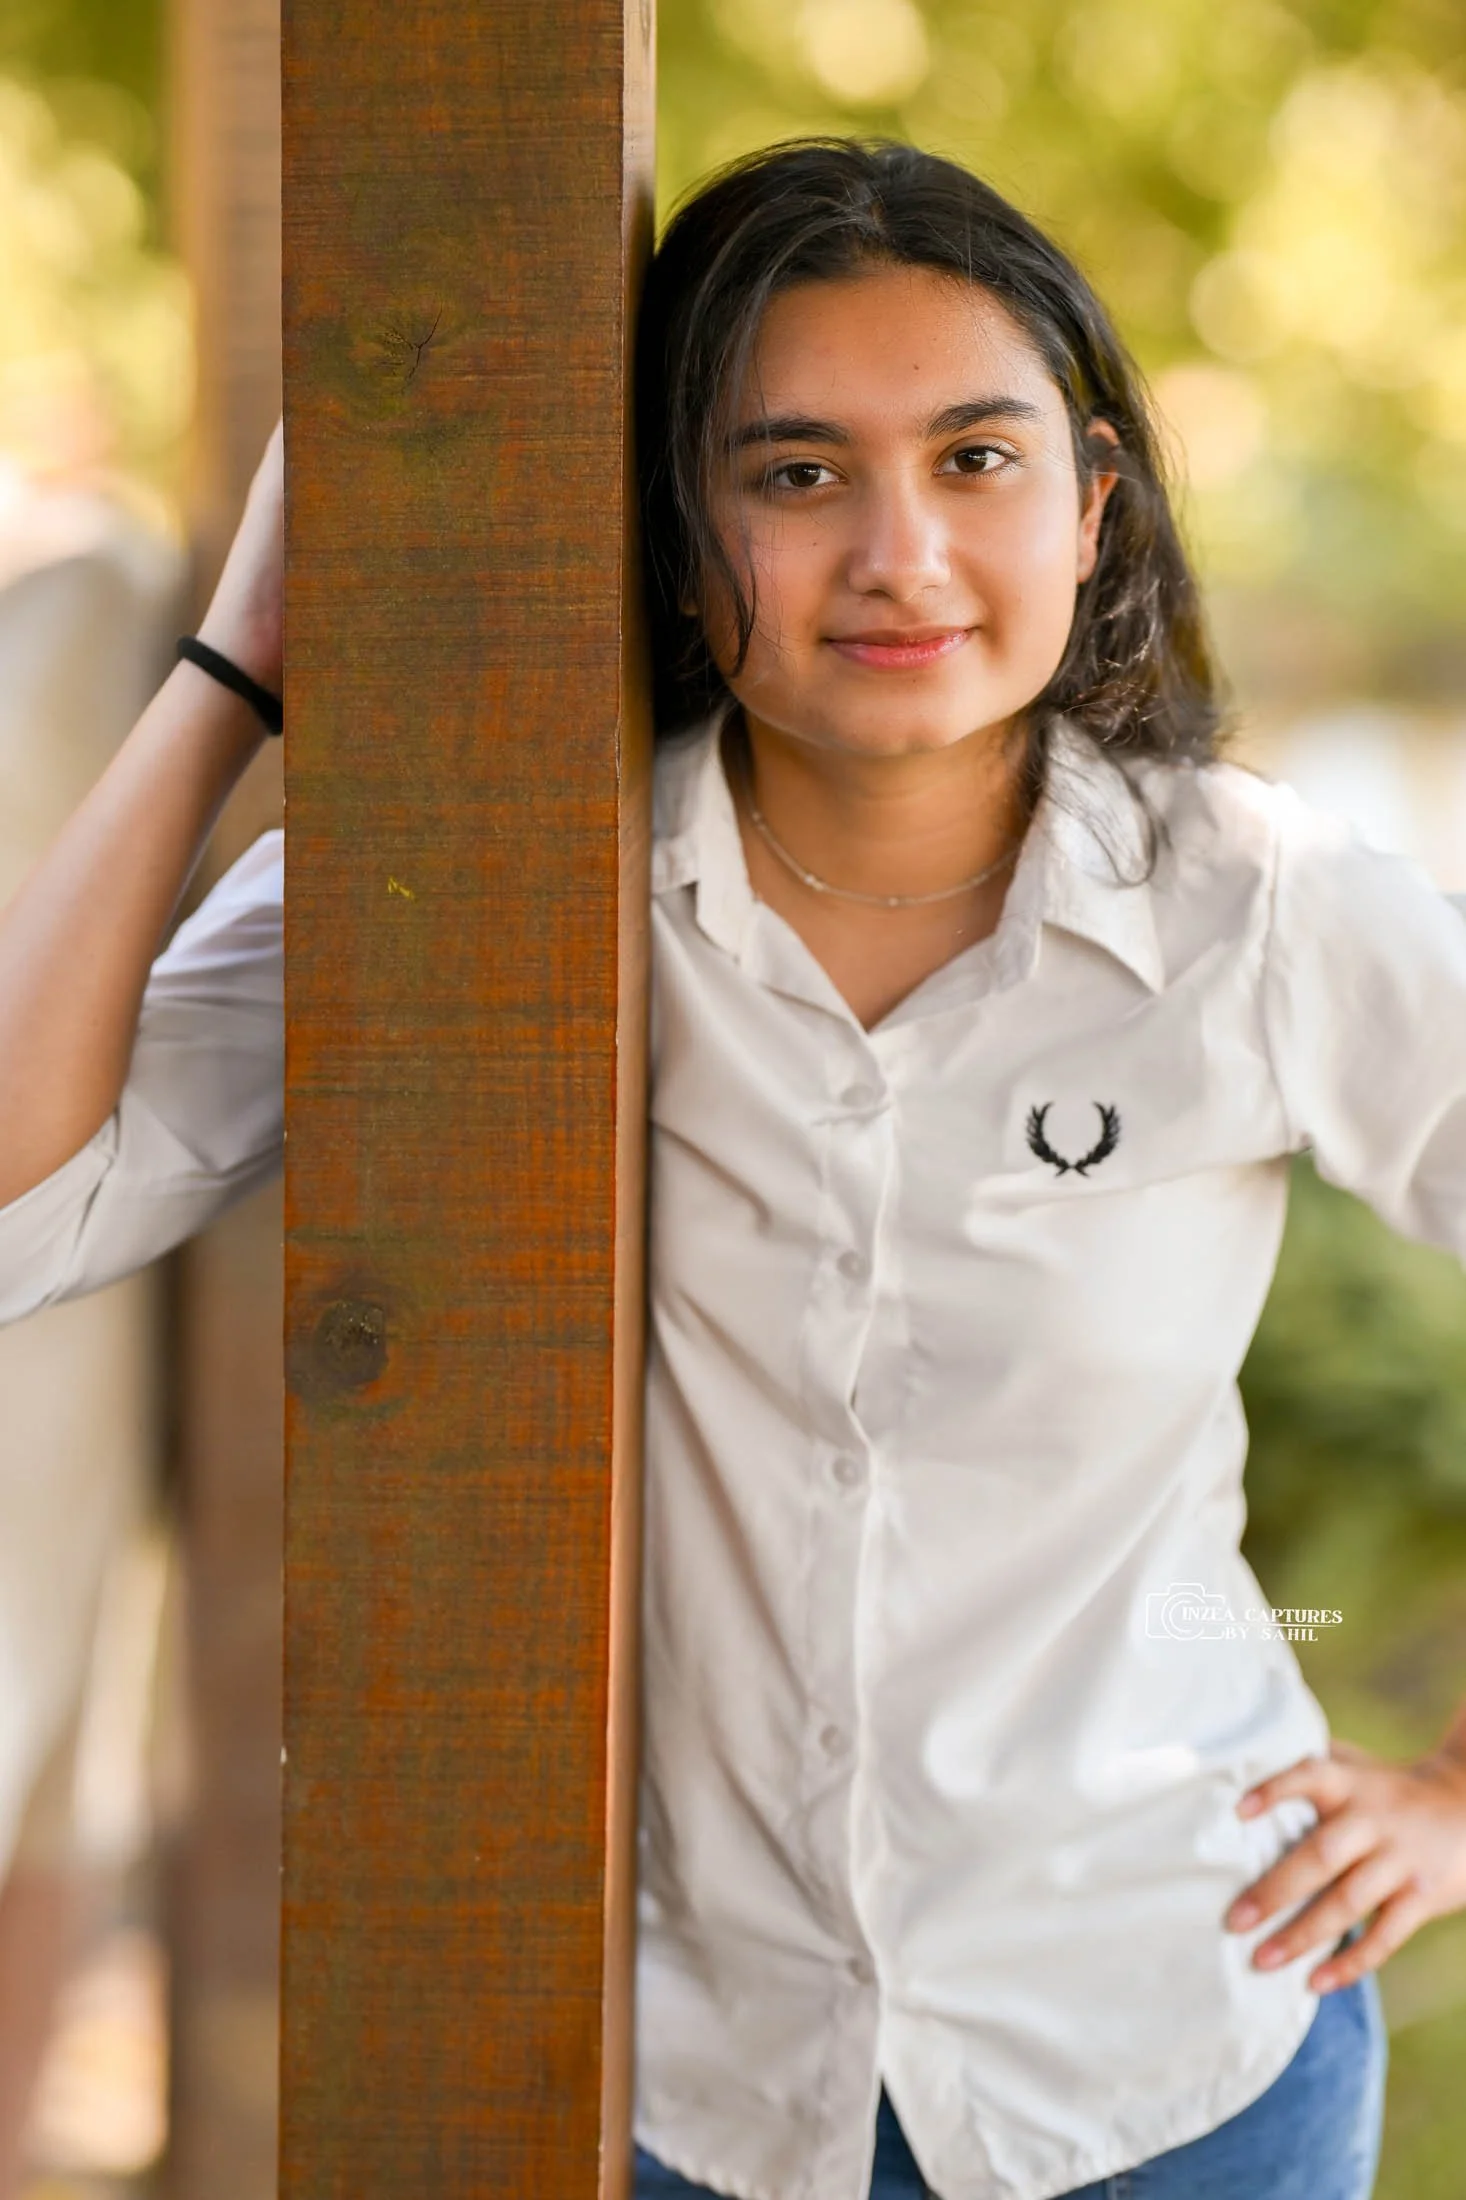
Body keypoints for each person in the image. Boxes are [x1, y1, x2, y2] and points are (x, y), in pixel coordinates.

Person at [1, 137, 1465, 2200]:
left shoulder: (1263, 910)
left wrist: (1455, 1795)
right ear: (680, 538)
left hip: (1175, 2060)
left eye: (976, 458)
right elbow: (18, 1204)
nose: (900, 552)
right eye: (794, 474)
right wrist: (237, 672)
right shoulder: (498, 891)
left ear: (1092, 502)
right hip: (686, 2095)